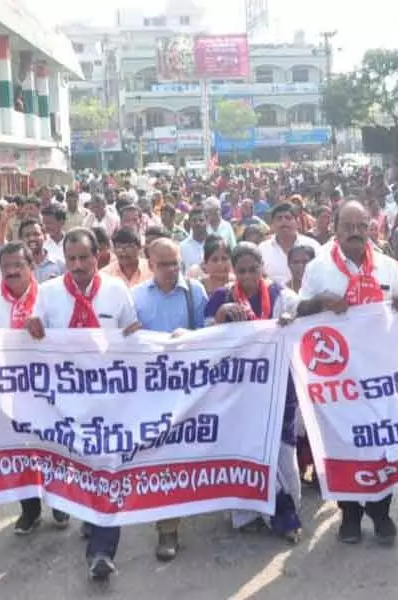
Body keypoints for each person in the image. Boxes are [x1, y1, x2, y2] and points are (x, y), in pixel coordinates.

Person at [24, 228, 140, 582]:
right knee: (77, 464)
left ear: (98, 256)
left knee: (107, 466)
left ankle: (102, 550)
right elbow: (33, 337)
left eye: (84, 258)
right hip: (66, 400)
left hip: (109, 398)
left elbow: (134, 336)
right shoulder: (47, 293)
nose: (77, 265)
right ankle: (90, 515)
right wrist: (31, 327)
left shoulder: (118, 291)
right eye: (71, 259)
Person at [297, 200, 398, 547]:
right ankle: (349, 515)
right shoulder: (318, 270)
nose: (356, 233)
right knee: (342, 443)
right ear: (336, 229)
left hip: (379, 375)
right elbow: (298, 311)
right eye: (349, 226)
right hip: (337, 378)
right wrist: (320, 303)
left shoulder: (389, 266)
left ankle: (381, 512)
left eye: (363, 226)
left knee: (380, 446)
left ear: (371, 228)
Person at [205, 242, 303, 542]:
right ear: (234, 270)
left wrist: (290, 321)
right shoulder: (222, 298)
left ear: (263, 267)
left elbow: (302, 324)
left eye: (253, 269)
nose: (247, 275)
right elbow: (206, 338)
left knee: (282, 449)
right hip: (239, 388)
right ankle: (247, 513)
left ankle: (287, 515)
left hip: (279, 386)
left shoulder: (282, 296)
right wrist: (221, 316)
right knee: (245, 447)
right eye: (242, 270)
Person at [0, 242, 71, 534]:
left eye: (17, 266)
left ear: (31, 267)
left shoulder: (50, 298)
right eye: (6, 266)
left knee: (54, 446)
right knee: (20, 452)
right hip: (10, 390)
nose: (11, 272)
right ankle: (29, 510)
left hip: (50, 389)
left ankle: (60, 503)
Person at [132, 238, 209, 561]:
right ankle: (168, 529)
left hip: (189, 388)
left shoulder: (195, 292)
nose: (170, 270)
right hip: (152, 392)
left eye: (175, 263)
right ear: (150, 265)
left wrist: (191, 338)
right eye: (163, 264)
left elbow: (209, 334)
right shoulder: (135, 298)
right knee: (163, 458)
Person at [259, 203, 321, 287]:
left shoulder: (312, 245)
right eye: (279, 218)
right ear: (272, 224)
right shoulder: (262, 249)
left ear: (297, 222)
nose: (284, 222)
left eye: (288, 218)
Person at [180, 208, 209, 273]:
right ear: (190, 223)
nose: (197, 223)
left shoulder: (214, 243)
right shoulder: (182, 246)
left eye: (201, 220)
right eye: (194, 220)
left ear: (207, 222)